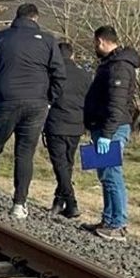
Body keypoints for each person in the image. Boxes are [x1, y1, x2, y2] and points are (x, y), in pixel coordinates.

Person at [0, 3, 65, 220]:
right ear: (36, 19)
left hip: (4, 101)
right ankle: (19, 204)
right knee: (25, 154)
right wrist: (49, 99)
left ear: (16, 17)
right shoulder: (48, 40)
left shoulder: (0, 39)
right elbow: (59, 74)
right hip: (36, 104)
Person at [82, 25, 140, 241]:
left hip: (111, 128)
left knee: (112, 173)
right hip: (103, 126)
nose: (95, 48)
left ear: (102, 41)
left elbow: (116, 105)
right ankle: (108, 219)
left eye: (95, 43)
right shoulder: (110, 65)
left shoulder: (119, 67)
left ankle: (118, 223)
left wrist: (107, 134)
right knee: (105, 175)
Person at [43, 42, 92, 218]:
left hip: (56, 123)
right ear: (72, 56)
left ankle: (71, 202)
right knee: (67, 164)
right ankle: (59, 201)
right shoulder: (85, 75)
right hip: (77, 125)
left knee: (60, 165)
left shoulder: (52, 74)